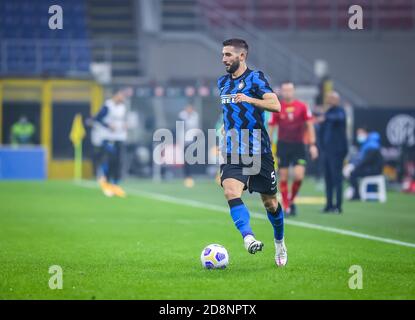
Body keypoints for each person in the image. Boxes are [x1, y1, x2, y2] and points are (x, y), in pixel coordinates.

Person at [218, 38, 287, 267]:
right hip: (233, 150)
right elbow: (229, 112)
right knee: (230, 191)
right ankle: (249, 238)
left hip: (259, 150)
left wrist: (249, 99)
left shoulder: (256, 78)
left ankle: (279, 242)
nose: (224, 59)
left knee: (270, 204)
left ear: (242, 56)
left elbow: (276, 105)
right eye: (223, 55)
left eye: (228, 54)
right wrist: (223, 130)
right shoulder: (222, 83)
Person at [268, 82, 318, 216]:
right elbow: (271, 127)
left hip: (299, 146)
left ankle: (290, 200)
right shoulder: (277, 107)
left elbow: (310, 125)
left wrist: (312, 145)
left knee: (299, 176)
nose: (287, 92)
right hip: (283, 145)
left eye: (290, 90)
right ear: (281, 91)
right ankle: (286, 206)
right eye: (285, 90)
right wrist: (267, 145)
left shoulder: (302, 107)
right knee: (283, 177)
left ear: (293, 91)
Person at [93, 87, 132, 198]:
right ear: (115, 95)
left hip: (120, 137)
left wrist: (126, 124)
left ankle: (115, 185)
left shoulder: (124, 107)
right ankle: (106, 184)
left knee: (118, 162)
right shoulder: (108, 106)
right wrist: (108, 125)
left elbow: (126, 120)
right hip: (108, 137)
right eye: (121, 95)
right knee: (109, 160)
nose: (122, 98)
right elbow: (97, 118)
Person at [318, 91, 348, 213]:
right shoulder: (328, 112)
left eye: (333, 98)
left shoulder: (340, 111)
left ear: (337, 100)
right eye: (329, 98)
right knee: (328, 179)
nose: (331, 100)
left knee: (337, 179)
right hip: (327, 151)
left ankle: (338, 206)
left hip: (337, 151)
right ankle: (329, 205)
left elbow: (339, 118)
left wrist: (324, 117)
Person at [346, 127, 383, 200]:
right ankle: (356, 192)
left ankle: (356, 194)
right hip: (371, 168)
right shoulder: (367, 144)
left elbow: (367, 161)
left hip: (374, 170)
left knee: (353, 173)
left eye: (360, 133)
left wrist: (356, 167)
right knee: (353, 172)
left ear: (366, 133)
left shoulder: (372, 145)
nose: (359, 135)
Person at [178, 104, 200, 188]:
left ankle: (190, 175)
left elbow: (196, 128)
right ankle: (187, 176)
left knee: (191, 158)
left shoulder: (195, 116)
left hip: (192, 140)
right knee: (186, 158)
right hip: (183, 140)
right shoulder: (182, 115)